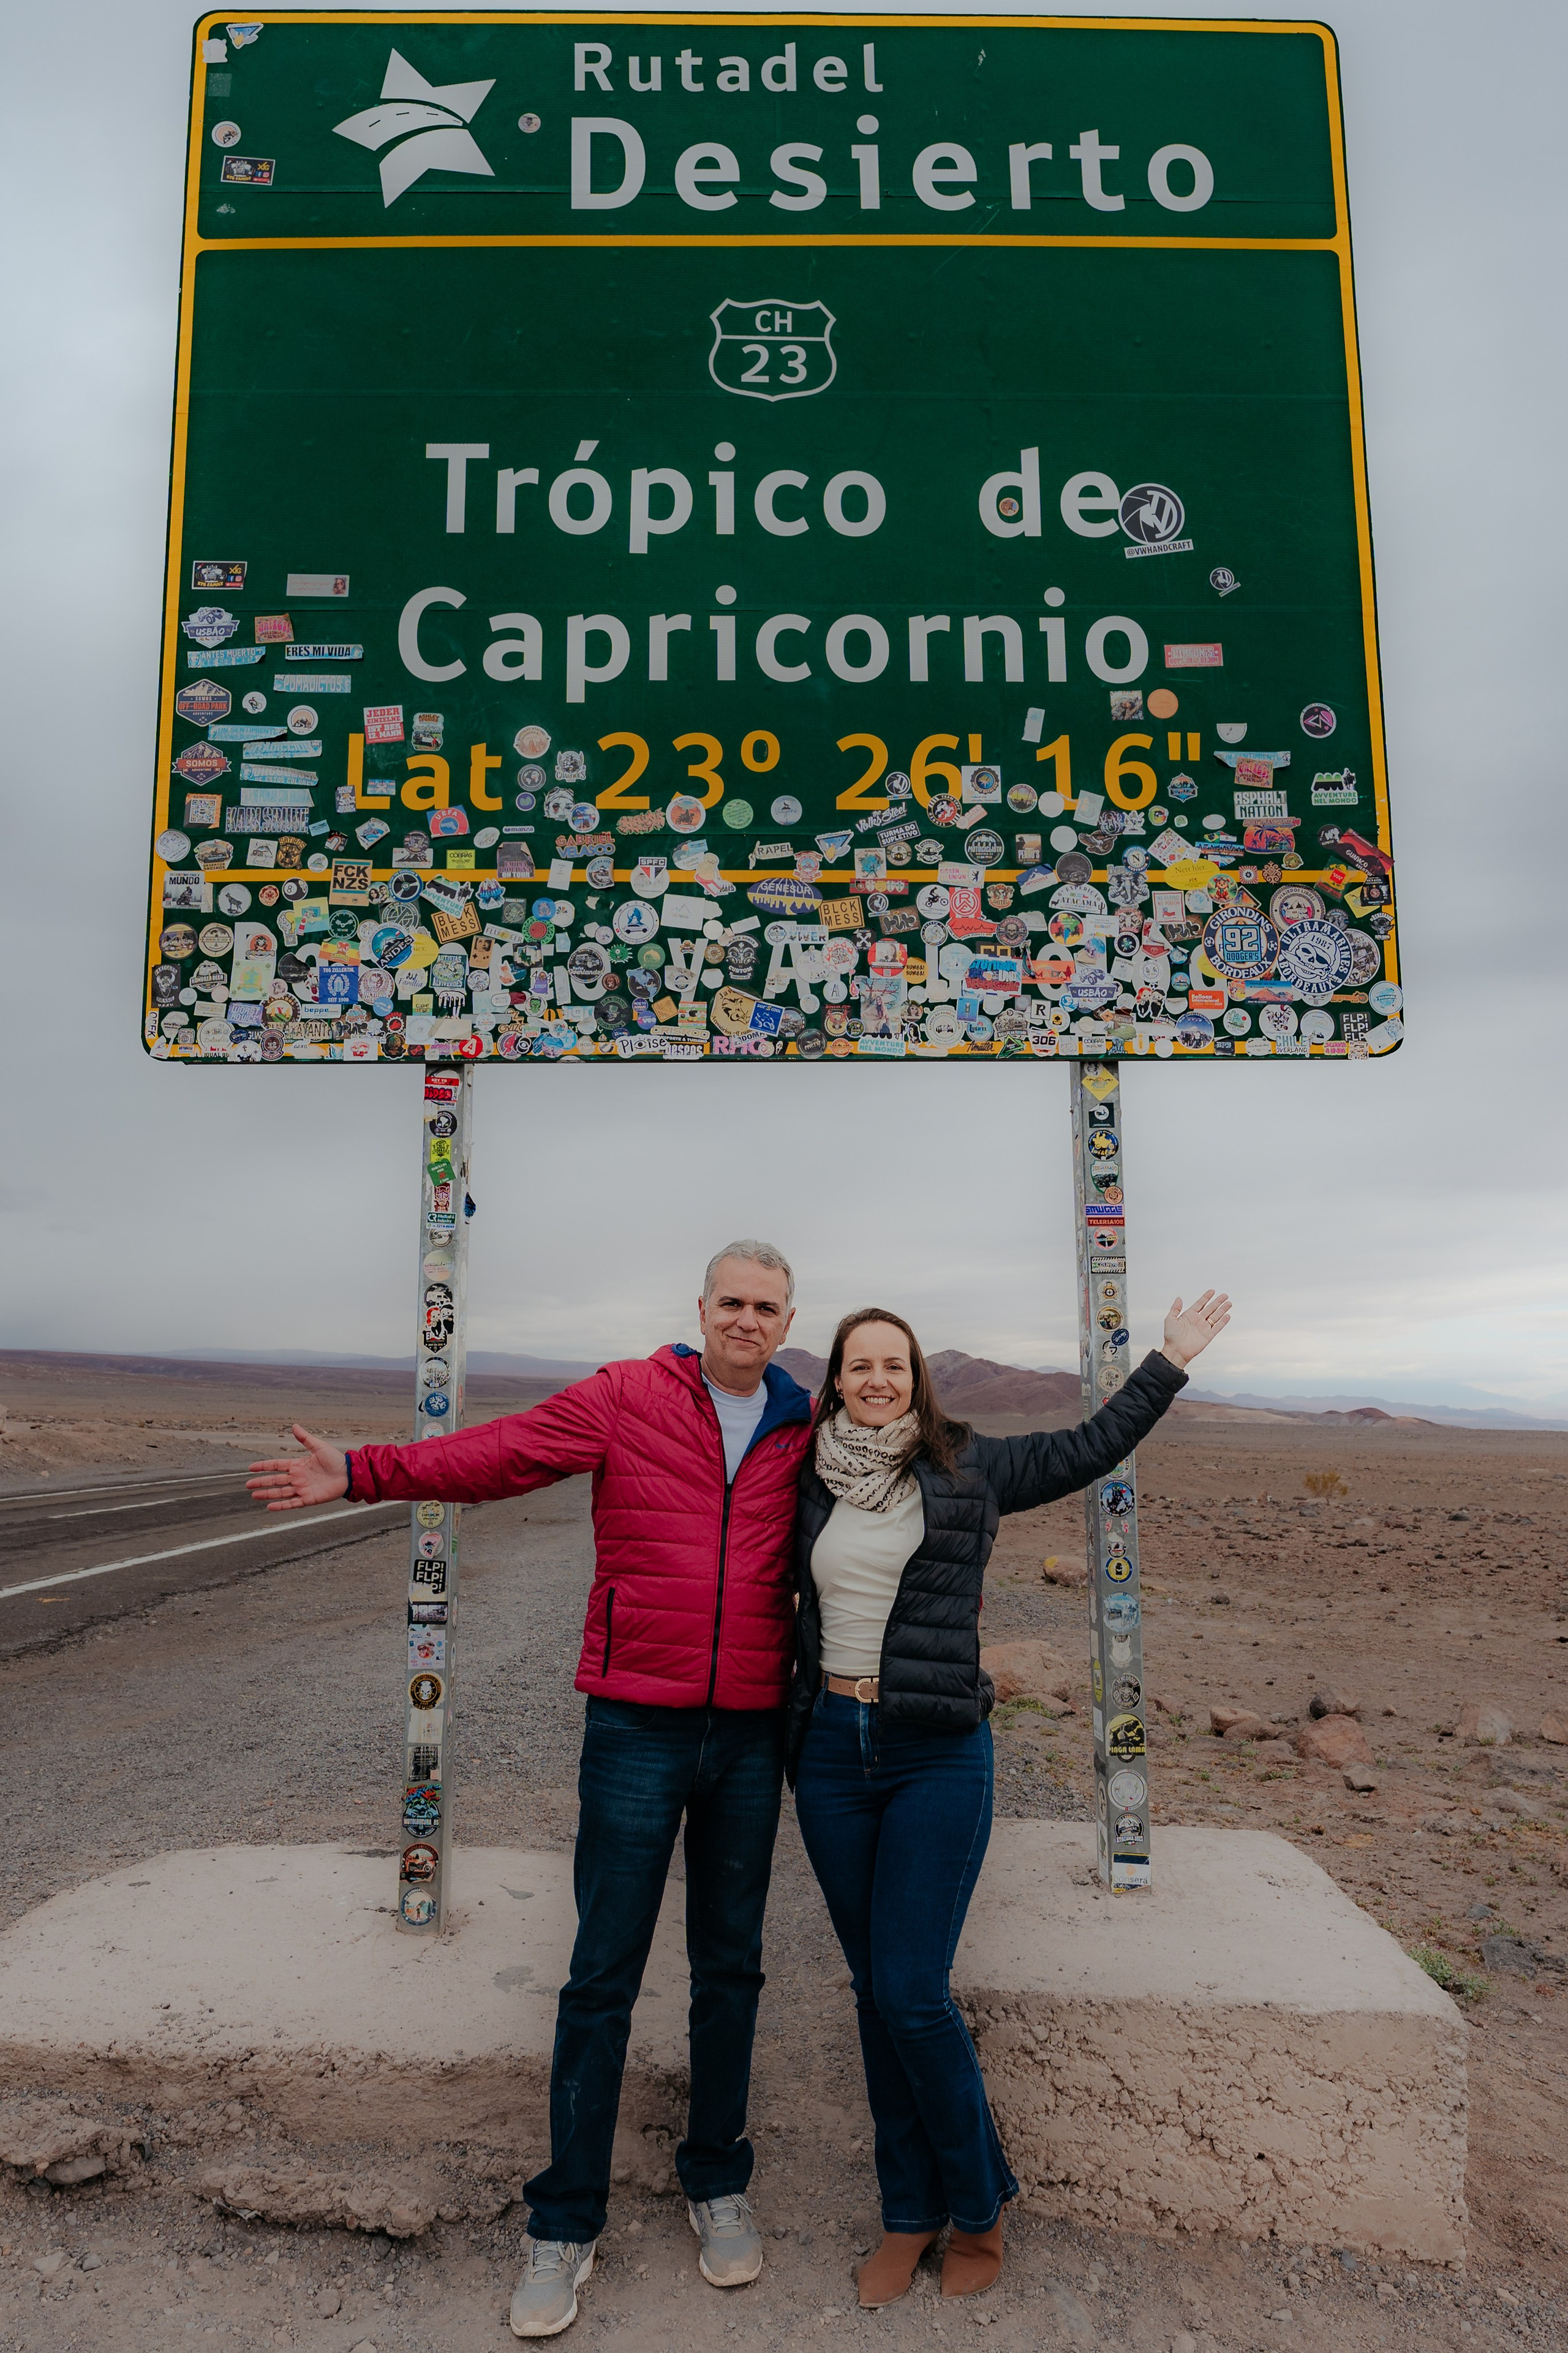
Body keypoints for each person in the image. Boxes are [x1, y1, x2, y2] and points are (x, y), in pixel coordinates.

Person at [246, 1243, 813, 2341]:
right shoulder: (629, 1393)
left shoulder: (805, 1419)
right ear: (700, 1308)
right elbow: (502, 1456)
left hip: (749, 1730)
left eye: (768, 1306)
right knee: (602, 1969)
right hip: (636, 1723)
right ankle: (564, 2217)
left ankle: (716, 2178)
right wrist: (363, 1470)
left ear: (790, 1321)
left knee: (731, 1964)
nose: (748, 1319)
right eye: (731, 1301)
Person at [786, 1291, 1231, 2311]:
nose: (878, 1380)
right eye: (860, 1366)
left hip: (935, 1753)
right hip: (829, 1754)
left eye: (894, 1365)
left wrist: (1166, 1360)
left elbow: (1089, 1445)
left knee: (911, 1990)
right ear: (837, 1380)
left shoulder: (966, 1465)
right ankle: (909, 2212)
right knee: (869, 1995)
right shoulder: (807, 1477)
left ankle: (978, 2207)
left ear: (916, 1378)